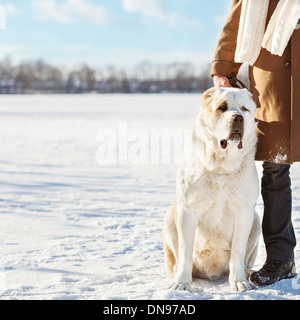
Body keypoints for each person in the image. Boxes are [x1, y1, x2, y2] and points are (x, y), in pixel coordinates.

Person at [211, 0, 299, 286]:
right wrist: (223, 68)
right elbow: (238, 21)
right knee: (275, 170)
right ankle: (281, 258)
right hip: (272, 85)